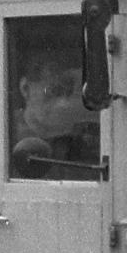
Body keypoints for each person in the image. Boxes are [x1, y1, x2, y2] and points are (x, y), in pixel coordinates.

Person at [8, 45, 101, 179]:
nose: (63, 102)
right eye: (52, 91)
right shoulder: (5, 136)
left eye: (67, 92)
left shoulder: (79, 137)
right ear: (25, 88)